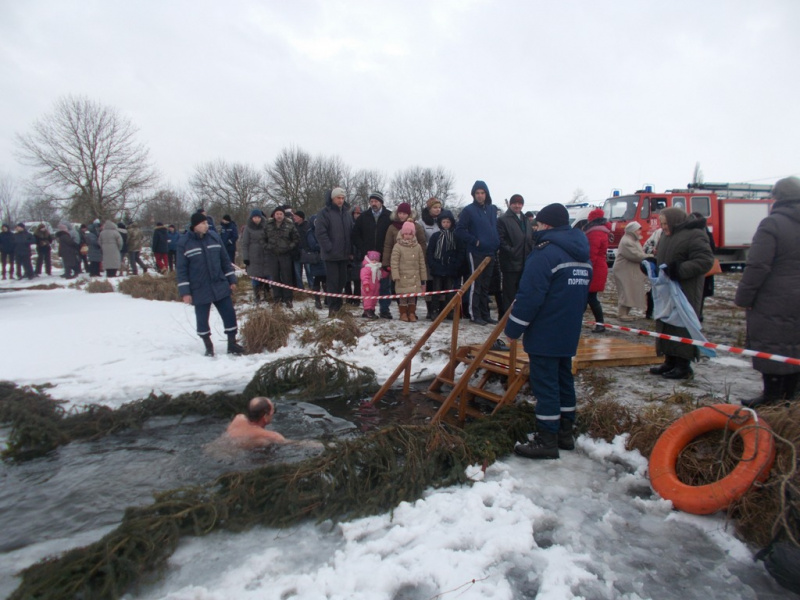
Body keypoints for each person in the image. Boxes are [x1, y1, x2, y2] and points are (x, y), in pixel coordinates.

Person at [504, 203, 592, 459]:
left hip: (545, 331)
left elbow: (530, 296)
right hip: (569, 330)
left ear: (546, 225)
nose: (536, 228)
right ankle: (565, 434)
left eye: (539, 224)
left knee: (546, 387)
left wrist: (513, 329)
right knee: (564, 381)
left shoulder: (545, 254)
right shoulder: (581, 254)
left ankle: (546, 440)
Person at [735, 176, 800, 407]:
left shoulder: (772, 224)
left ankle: (772, 396)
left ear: (777, 197)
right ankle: (791, 396)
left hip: (774, 297)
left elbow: (758, 265)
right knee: (795, 345)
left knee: (772, 344)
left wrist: (744, 297)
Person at [648, 207, 714, 380]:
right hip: (667, 289)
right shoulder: (665, 236)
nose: (663, 227)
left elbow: (705, 261)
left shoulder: (695, 234)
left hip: (685, 290)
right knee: (666, 322)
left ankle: (683, 365)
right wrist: (652, 264)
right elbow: (665, 258)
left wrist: (679, 270)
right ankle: (669, 360)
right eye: (661, 223)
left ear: (675, 221)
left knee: (681, 326)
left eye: (665, 223)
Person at [176, 212, 244, 357]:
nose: (206, 225)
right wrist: (185, 292)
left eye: (207, 222)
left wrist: (231, 280)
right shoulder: (184, 243)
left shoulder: (214, 237)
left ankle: (232, 344)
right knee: (202, 318)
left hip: (219, 284)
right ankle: (208, 345)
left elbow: (225, 260)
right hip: (199, 287)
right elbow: (181, 270)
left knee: (229, 314)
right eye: (203, 223)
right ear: (195, 226)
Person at [455, 180, 501, 326]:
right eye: (477, 193)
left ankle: (485, 314)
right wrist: (475, 241)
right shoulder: (468, 211)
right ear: (473, 195)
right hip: (476, 252)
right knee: (476, 284)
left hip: (491, 251)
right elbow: (459, 230)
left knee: (486, 285)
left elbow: (494, 228)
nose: (480, 195)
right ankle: (474, 314)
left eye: (482, 193)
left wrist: (496, 242)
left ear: (486, 194)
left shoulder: (492, 210)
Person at [352, 191, 393, 318]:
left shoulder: (389, 216)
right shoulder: (364, 216)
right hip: (368, 257)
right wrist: (363, 248)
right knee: (368, 285)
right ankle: (368, 309)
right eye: (371, 201)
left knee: (384, 284)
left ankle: (384, 309)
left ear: (381, 202)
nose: (373, 203)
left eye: (376, 201)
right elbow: (355, 234)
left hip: (384, 255)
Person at [315, 187, 354, 317]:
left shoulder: (346, 213)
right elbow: (320, 233)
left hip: (344, 255)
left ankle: (339, 307)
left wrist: (350, 250)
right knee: (332, 283)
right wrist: (329, 248)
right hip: (331, 255)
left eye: (343, 198)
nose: (341, 200)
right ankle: (332, 308)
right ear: (333, 198)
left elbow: (350, 233)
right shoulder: (324, 213)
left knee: (342, 281)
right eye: (338, 198)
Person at [497, 194, 533, 315]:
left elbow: (531, 238)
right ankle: (506, 318)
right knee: (509, 294)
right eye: (515, 203)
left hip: (525, 262)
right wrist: (511, 251)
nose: (517, 206)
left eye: (520, 203)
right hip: (510, 263)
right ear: (510, 204)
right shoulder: (503, 219)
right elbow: (500, 240)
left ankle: (518, 316)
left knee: (521, 293)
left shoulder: (525, 219)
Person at [426, 209, 462, 320]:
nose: (446, 224)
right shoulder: (435, 236)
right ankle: (435, 311)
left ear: (452, 223)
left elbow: (459, 252)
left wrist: (455, 264)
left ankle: (449, 310)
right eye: (444, 222)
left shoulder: (455, 237)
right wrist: (432, 264)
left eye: (448, 222)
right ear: (440, 223)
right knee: (436, 291)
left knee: (449, 291)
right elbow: (430, 251)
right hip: (437, 268)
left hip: (450, 268)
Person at [612, 221, 651, 321]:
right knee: (626, 291)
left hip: (629, 270)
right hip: (623, 271)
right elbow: (635, 255)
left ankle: (625, 313)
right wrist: (650, 257)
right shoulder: (627, 241)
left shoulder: (633, 240)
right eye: (638, 230)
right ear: (632, 230)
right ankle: (622, 314)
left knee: (630, 291)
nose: (640, 232)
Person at [391, 220, 427, 322]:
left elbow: (421, 263)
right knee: (402, 296)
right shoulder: (397, 246)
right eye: (405, 234)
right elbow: (394, 262)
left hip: (414, 276)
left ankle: (411, 313)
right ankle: (403, 313)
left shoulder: (417, 246)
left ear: (413, 234)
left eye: (410, 234)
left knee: (412, 297)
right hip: (402, 277)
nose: (407, 236)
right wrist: (395, 275)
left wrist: (423, 278)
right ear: (402, 234)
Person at [582, 208, 611, 333]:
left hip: (594, 269)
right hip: (597, 268)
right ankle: (598, 323)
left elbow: (591, 254)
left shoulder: (595, 233)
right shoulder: (601, 231)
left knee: (590, 297)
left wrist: (586, 268)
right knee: (587, 297)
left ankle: (600, 324)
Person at [264, 206, 299, 308]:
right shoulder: (268, 225)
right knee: (275, 278)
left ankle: (288, 299)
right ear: (274, 215)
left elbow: (296, 238)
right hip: (272, 255)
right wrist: (267, 247)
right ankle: (277, 299)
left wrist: (289, 247)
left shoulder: (289, 224)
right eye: (277, 214)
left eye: (281, 214)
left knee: (287, 277)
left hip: (285, 255)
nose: (279, 216)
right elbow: (262, 238)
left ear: (284, 215)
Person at [690, 212, 716, 322]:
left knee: (696, 294)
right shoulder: (707, 233)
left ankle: (695, 316)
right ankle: (699, 314)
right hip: (706, 270)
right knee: (701, 295)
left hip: (698, 269)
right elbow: (713, 249)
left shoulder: (694, 235)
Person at [240, 209, 270, 304]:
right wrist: (246, 258)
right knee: (255, 277)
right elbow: (245, 244)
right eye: (255, 217)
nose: (256, 219)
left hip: (265, 254)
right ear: (251, 218)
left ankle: (267, 294)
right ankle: (257, 296)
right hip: (253, 256)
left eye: (258, 217)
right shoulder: (247, 228)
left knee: (267, 275)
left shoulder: (266, 226)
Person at [420, 197, 442, 319]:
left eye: (439, 207)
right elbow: (422, 240)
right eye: (435, 207)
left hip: (442, 256)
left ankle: (440, 308)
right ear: (429, 209)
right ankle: (430, 309)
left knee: (440, 283)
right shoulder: (422, 222)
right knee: (429, 282)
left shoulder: (444, 220)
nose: (437, 210)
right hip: (428, 255)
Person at [360, 250, 385, 319]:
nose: (374, 261)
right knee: (368, 299)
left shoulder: (378, 269)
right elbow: (364, 277)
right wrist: (366, 284)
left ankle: (372, 310)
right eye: (372, 259)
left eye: (376, 260)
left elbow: (382, 275)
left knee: (374, 300)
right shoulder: (367, 268)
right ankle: (367, 310)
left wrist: (386, 271)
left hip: (376, 288)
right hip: (368, 287)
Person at [292, 210, 311, 288]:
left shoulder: (308, 226)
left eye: (296, 216)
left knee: (309, 270)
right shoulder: (293, 227)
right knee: (297, 272)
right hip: (296, 251)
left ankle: (312, 286)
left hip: (306, 251)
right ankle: (300, 288)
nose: (294, 218)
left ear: (301, 218)